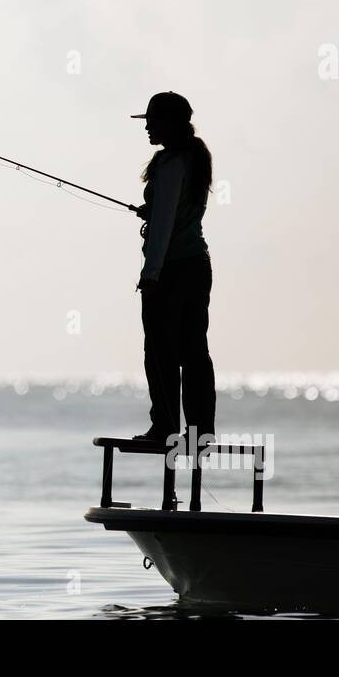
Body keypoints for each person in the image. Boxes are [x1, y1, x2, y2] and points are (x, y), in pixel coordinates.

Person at [129, 92, 216, 449]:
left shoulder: (169, 163)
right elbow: (175, 213)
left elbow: (164, 221)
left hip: (170, 271)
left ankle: (164, 426)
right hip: (197, 265)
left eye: (152, 120)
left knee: (160, 352)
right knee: (194, 351)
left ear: (170, 122)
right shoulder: (194, 158)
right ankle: (199, 433)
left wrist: (151, 274)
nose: (147, 126)